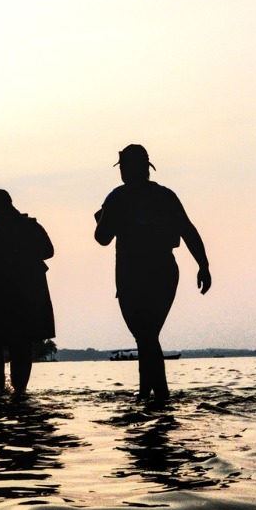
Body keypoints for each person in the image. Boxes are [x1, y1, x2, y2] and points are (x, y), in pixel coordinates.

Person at [94, 144, 211, 404]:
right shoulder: (165, 196)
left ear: (126, 169)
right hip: (163, 273)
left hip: (134, 274)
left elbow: (101, 238)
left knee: (145, 336)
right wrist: (203, 265)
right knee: (147, 337)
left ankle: (158, 398)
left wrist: (104, 217)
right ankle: (149, 395)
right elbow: (188, 231)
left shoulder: (117, 198)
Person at [0, 189, 54, 395]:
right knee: (22, 346)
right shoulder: (30, 226)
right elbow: (48, 251)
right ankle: (19, 393)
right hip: (25, 298)